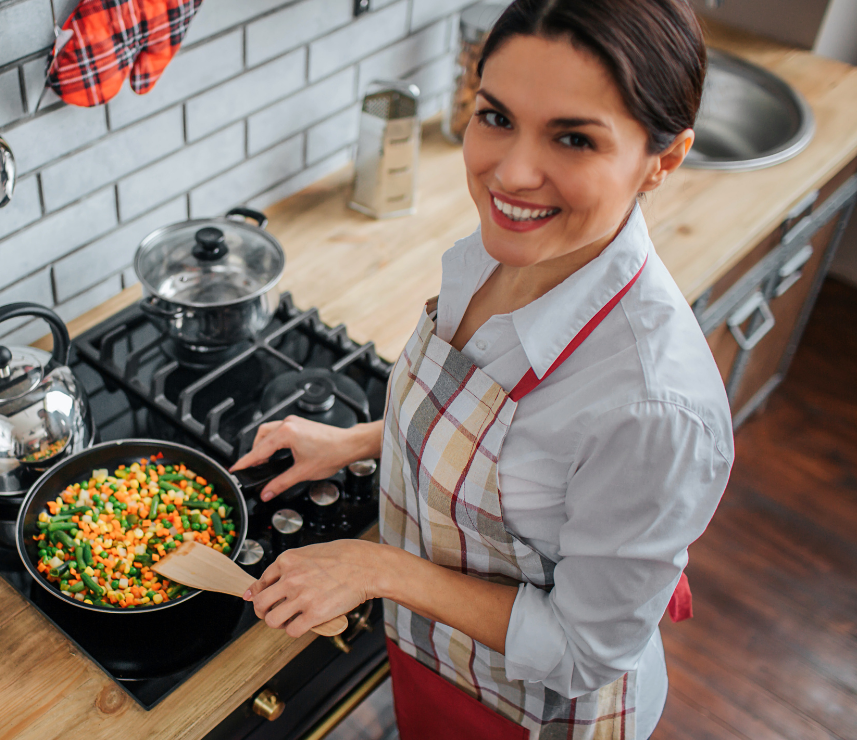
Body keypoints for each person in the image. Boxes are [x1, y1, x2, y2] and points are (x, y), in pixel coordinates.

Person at [231, 1, 734, 737]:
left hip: (538, 713)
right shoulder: (500, 252)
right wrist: (360, 440)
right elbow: (507, 442)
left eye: (572, 138)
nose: (512, 172)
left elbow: (582, 650)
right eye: (496, 117)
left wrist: (377, 570)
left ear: (663, 160)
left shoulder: (655, 407)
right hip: (438, 658)